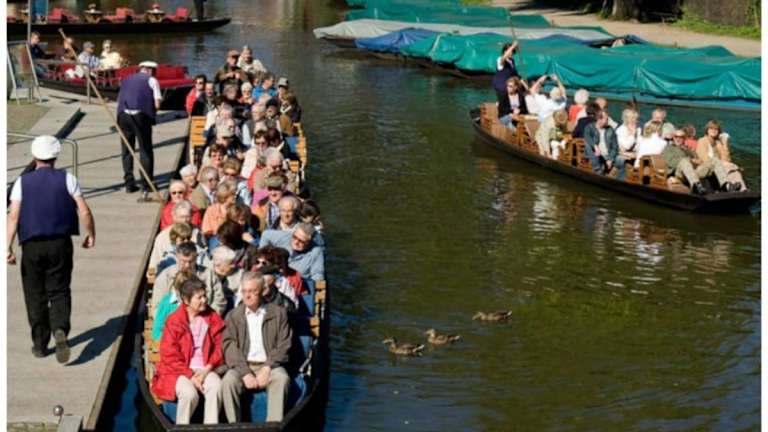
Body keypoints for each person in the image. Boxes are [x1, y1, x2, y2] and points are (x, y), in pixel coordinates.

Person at [6, 136, 96, 362]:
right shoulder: (68, 179)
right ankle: (60, 328)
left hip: (31, 245)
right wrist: (91, 233)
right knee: (59, 289)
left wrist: (7, 247)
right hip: (60, 243)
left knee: (34, 294)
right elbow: (84, 210)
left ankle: (39, 343)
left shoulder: (22, 182)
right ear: (56, 156)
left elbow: (13, 216)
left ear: (34, 156)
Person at [151, 278, 225, 425]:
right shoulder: (174, 321)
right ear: (186, 300)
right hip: (179, 370)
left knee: (216, 386)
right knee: (189, 394)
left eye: (205, 296)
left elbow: (220, 346)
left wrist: (207, 369)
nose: (204, 300)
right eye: (199, 297)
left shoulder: (212, 317)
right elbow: (169, 356)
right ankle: (182, 426)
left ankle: (211, 426)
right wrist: (191, 375)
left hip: (205, 367)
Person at [221, 272, 292, 423]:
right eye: (244, 291)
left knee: (281, 379)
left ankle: (273, 425)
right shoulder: (233, 316)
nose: (247, 296)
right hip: (243, 365)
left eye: (252, 291)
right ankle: (234, 425)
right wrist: (245, 373)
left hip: (270, 365)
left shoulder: (278, 314)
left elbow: (284, 344)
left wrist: (267, 368)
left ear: (262, 291)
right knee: (228, 381)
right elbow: (229, 346)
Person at [117, 61, 162, 197]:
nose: (155, 74)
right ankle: (146, 184)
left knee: (127, 150)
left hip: (123, 115)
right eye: (154, 71)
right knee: (145, 149)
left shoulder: (127, 79)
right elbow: (157, 104)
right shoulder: (152, 80)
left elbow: (120, 98)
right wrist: (151, 111)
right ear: (150, 70)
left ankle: (129, 184)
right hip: (140, 116)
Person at [662, 129, 734, 194]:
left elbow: (699, 161)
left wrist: (696, 161)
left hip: (694, 172)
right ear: (673, 138)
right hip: (679, 173)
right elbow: (672, 162)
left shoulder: (688, 149)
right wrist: (690, 161)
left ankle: (726, 185)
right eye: (676, 137)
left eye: (681, 137)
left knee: (715, 160)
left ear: (684, 138)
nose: (678, 139)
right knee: (684, 161)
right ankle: (696, 186)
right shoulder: (669, 148)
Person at [259, 223, 325, 282]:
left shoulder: (316, 251)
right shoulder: (285, 236)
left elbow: (318, 276)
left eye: (301, 241)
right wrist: (265, 256)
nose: (296, 242)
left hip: (297, 283)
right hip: (273, 276)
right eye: (295, 237)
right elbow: (266, 234)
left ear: (309, 242)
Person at [149, 200, 204, 271]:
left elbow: (204, 255)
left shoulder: (198, 233)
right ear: (174, 216)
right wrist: (152, 274)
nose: (184, 220)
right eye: (181, 217)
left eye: (187, 217)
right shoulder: (163, 237)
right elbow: (154, 261)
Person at [696, 120, 745, 191]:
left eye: (716, 129)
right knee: (718, 161)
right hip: (704, 169)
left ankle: (743, 190)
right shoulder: (702, 141)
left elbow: (727, 160)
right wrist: (723, 164)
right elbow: (705, 160)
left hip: (718, 170)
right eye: (711, 128)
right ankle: (727, 186)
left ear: (719, 132)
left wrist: (725, 143)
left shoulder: (718, 143)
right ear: (707, 130)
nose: (714, 130)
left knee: (734, 171)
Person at [583, 110, 625, 179]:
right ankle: (598, 170)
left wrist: (610, 159)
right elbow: (587, 136)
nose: (608, 121)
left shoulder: (610, 130)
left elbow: (615, 147)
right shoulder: (590, 127)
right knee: (588, 144)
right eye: (606, 119)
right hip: (596, 155)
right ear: (599, 119)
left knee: (621, 159)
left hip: (608, 155)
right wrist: (595, 146)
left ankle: (618, 179)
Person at [201, 246, 243, 313]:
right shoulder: (204, 274)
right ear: (218, 265)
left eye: (234, 262)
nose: (234, 265)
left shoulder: (240, 274)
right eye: (231, 263)